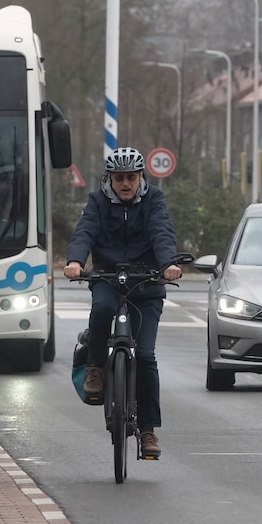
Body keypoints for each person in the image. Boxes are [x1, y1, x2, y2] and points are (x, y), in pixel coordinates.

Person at [63, 147, 181, 458]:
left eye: (131, 177)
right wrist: (75, 260)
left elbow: (161, 231)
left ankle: (147, 430)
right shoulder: (97, 201)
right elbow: (85, 231)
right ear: (109, 179)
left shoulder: (154, 199)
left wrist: (168, 263)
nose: (125, 184)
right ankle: (95, 368)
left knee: (144, 356)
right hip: (107, 278)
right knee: (101, 309)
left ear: (141, 177)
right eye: (119, 179)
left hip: (148, 282)